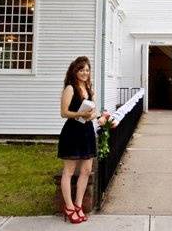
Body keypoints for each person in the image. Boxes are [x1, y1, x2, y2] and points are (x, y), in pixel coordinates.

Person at [58, 56, 97, 224]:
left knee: (86, 170)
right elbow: (64, 112)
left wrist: (93, 115)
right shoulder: (70, 88)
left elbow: (92, 110)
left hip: (87, 131)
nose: (85, 73)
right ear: (75, 71)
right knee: (69, 171)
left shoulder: (88, 88)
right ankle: (68, 206)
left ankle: (78, 205)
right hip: (72, 132)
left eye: (87, 70)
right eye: (81, 70)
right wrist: (81, 114)